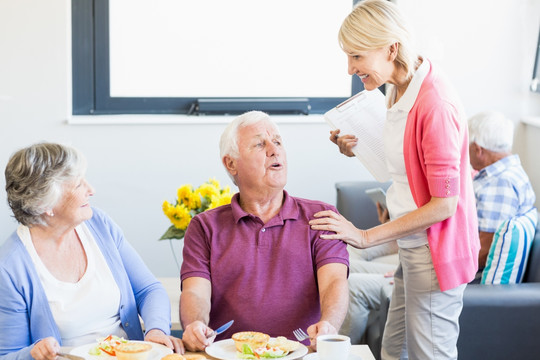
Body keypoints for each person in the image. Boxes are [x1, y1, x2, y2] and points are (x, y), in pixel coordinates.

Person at [309, 1, 480, 359]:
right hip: (411, 246)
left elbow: (445, 204)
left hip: (434, 252)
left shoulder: (436, 105)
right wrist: (352, 148)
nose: (351, 68)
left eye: (357, 56)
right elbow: (407, 162)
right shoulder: (397, 86)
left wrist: (365, 236)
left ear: (391, 48)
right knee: (392, 351)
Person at [179, 110, 349, 352]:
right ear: (231, 164)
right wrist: (195, 324)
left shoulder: (321, 216)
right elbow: (195, 292)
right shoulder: (204, 227)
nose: (274, 149)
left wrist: (329, 324)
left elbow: (334, 281)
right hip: (228, 355)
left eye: (278, 141)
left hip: (300, 354)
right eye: (260, 144)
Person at [0, 143, 184, 360]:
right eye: (78, 185)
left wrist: (155, 330)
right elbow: (7, 354)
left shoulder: (100, 224)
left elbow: (148, 289)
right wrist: (33, 353)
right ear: (44, 203)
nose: (91, 190)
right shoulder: (10, 267)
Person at [468, 111, 537, 279]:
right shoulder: (510, 171)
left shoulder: (499, 183)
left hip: (472, 280)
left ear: (478, 149)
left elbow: (484, 251)